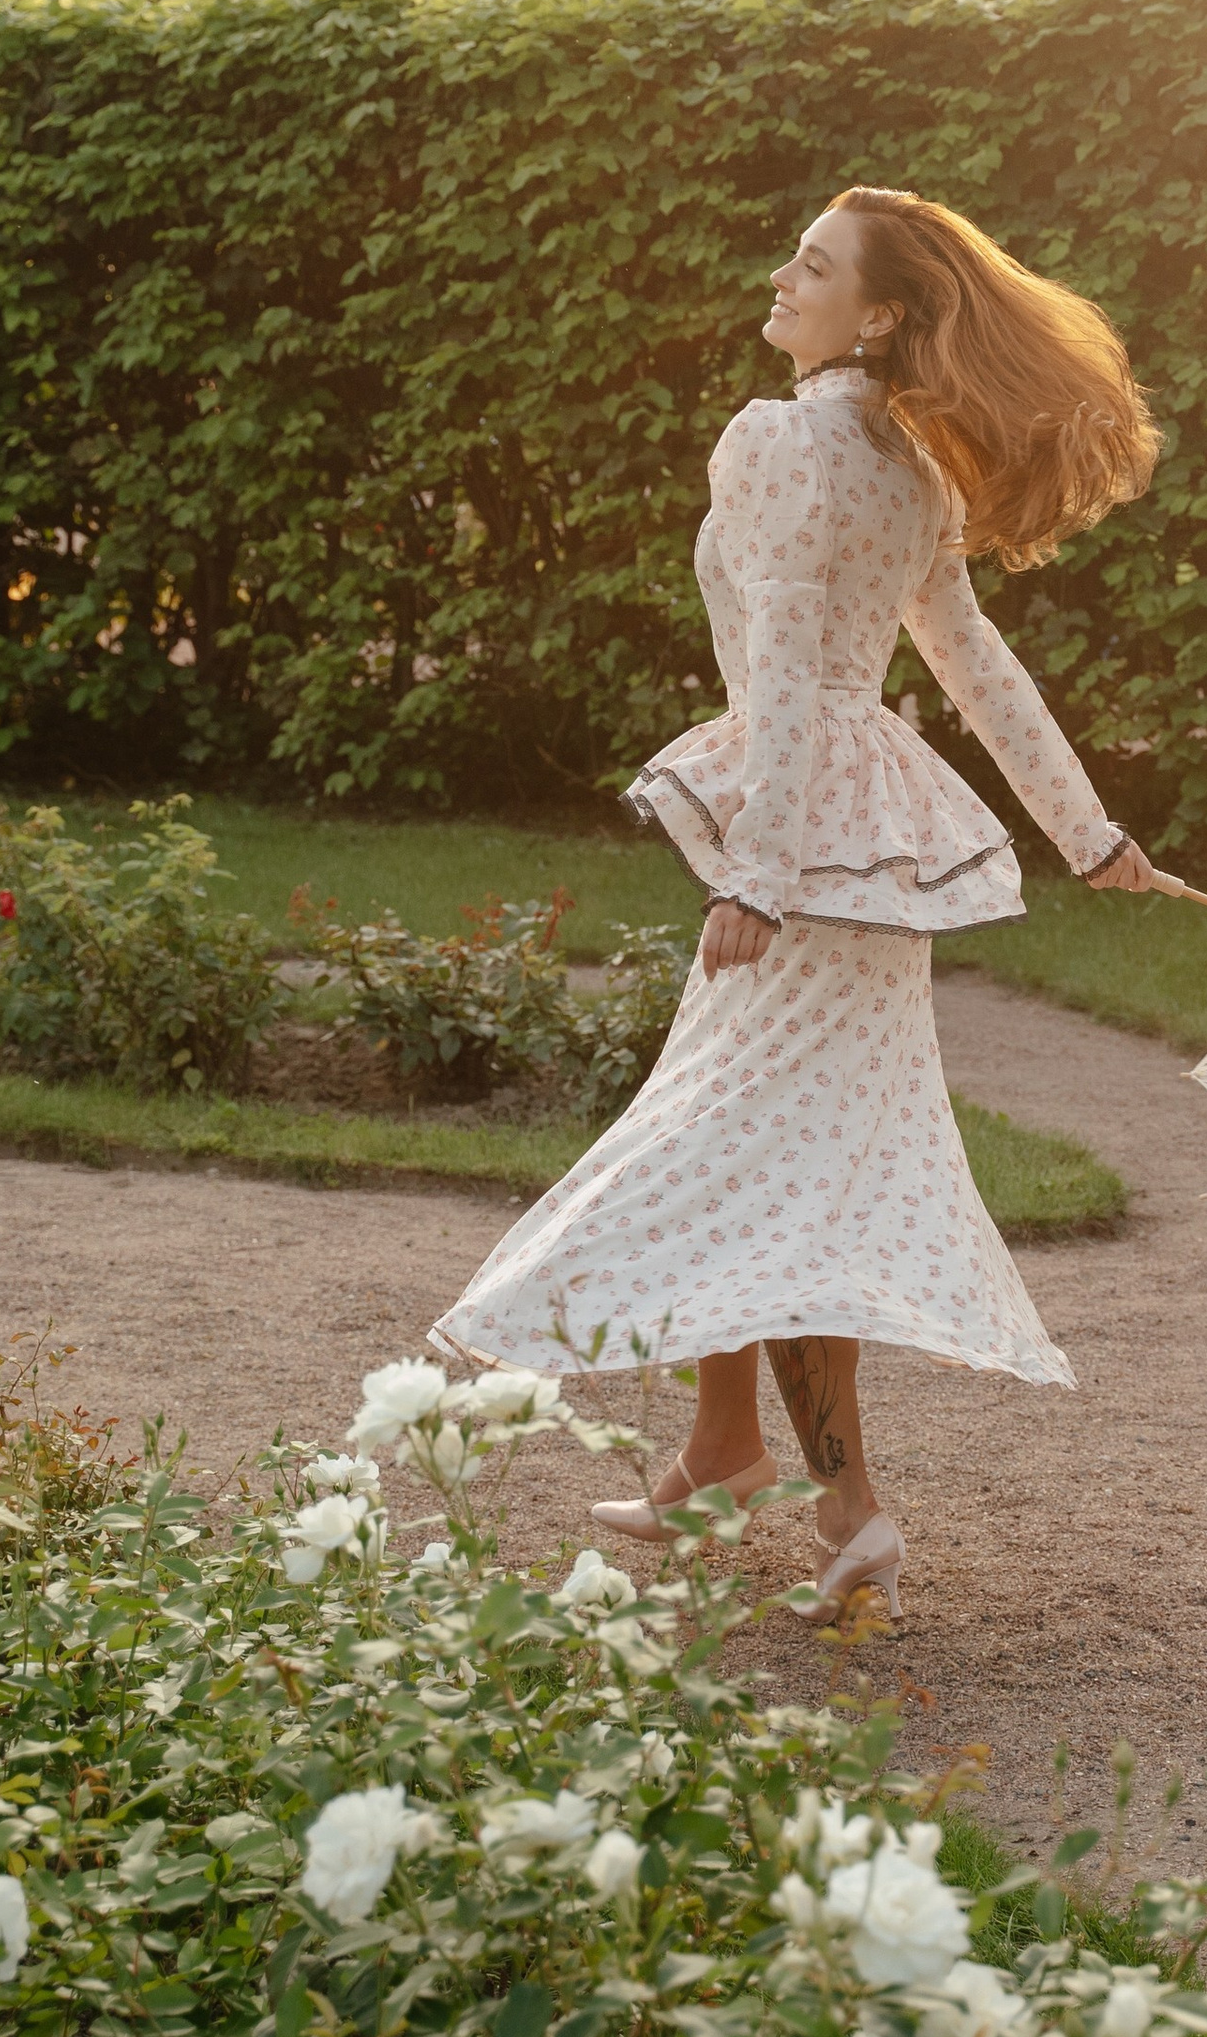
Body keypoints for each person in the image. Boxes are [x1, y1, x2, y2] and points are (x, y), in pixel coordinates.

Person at [435, 186, 1161, 1620]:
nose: (783, 277)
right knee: (765, 1153)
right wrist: (1090, 835)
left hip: (804, 843)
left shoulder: (779, 441)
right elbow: (975, 670)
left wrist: (756, 874)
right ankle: (721, 1451)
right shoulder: (909, 461)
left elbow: (777, 668)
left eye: (815, 266)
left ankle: (849, 1508)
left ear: (879, 312)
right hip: (866, 840)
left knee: (761, 1164)